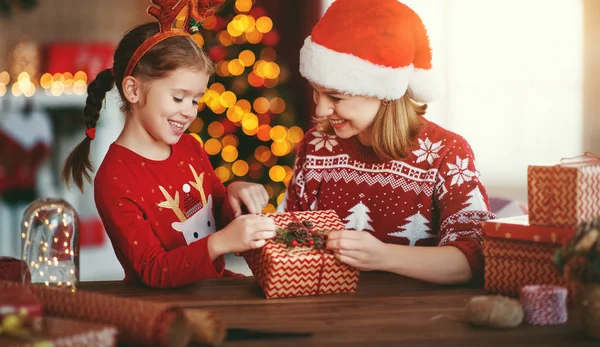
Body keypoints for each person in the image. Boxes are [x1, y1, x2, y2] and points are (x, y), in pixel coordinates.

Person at [279, 0, 497, 285]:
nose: (320, 109)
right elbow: (289, 239)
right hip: (329, 312)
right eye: (317, 92)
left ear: (383, 92)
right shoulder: (316, 145)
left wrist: (383, 257)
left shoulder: (447, 153)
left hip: (418, 319)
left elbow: (476, 259)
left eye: (336, 97)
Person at [62, 1, 276, 288]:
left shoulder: (190, 147)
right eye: (178, 97)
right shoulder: (116, 179)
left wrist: (235, 194)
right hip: (166, 308)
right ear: (133, 90)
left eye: (195, 99)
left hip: (212, 288)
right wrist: (221, 243)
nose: (189, 111)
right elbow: (154, 269)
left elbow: (219, 217)